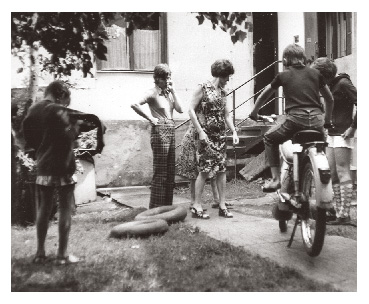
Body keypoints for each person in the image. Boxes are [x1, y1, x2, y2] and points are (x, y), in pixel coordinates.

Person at [249, 44, 334, 192]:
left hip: (295, 120)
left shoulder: (283, 75)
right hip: (317, 120)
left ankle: (275, 180)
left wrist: (254, 112)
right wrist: (327, 121)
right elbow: (330, 99)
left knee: (269, 138)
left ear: (286, 59)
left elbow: (265, 95)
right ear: (303, 58)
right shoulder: (316, 74)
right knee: (319, 146)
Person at [22, 81, 84, 265]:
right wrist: (76, 131)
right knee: (65, 208)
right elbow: (70, 137)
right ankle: (62, 255)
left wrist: (40, 150)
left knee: (43, 208)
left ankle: (40, 253)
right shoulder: (59, 111)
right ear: (60, 94)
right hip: (63, 165)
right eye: (66, 100)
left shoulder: (33, 110)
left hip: (43, 164)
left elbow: (29, 138)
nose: (66, 105)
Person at [188, 59, 239, 219]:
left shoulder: (223, 93)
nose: (228, 80)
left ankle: (222, 205)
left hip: (220, 137)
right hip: (206, 137)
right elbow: (190, 110)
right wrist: (200, 132)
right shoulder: (202, 88)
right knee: (204, 170)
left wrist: (234, 132)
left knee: (222, 170)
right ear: (221, 75)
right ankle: (196, 205)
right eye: (227, 77)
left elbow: (227, 115)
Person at [311, 57, 357, 225]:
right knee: (332, 172)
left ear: (325, 75)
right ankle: (338, 212)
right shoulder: (330, 85)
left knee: (343, 170)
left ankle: (344, 214)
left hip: (343, 133)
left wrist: (353, 127)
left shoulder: (344, 83)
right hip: (331, 133)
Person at [131, 64, 183, 209]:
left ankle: (167, 207)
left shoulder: (168, 94)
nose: (168, 81)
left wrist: (173, 90)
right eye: (166, 78)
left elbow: (180, 109)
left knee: (170, 170)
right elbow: (134, 104)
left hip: (171, 129)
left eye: (169, 77)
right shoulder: (152, 92)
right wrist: (150, 118)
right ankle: (155, 208)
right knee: (160, 172)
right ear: (157, 79)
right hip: (159, 131)